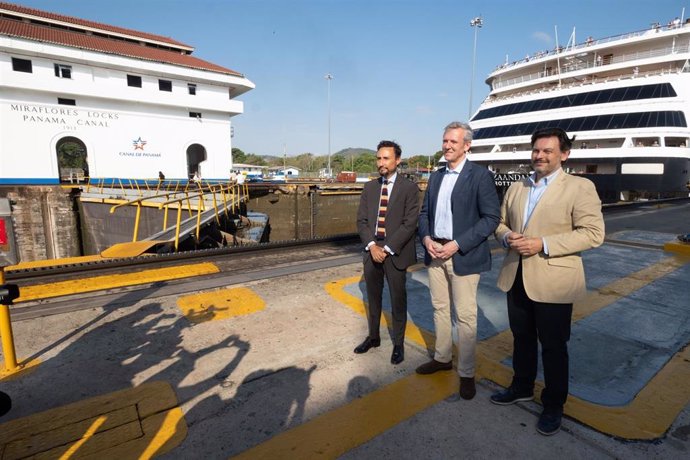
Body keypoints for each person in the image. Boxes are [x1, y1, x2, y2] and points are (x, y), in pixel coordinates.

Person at [490, 127, 605, 436]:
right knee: (521, 338)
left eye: (547, 151)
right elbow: (500, 224)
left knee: (554, 346)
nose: (539, 156)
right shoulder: (517, 187)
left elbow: (593, 234)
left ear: (564, 155)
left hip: (554, 281)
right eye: (536, 150)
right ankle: (522, 386)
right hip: (516, 275)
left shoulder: (580, 187)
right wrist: (506, 236)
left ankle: (553, 404)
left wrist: (543, 243)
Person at [416, 121, 500, 400]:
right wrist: (426, 239)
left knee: (465, 316)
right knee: (439, 308)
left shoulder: (480, 176)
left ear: (467, 145)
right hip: (435, 252)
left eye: (454, 142)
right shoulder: (437, 176)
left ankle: (466, 372)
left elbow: (491, 219)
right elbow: (424, 213)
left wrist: (456, 244)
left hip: (462, 255)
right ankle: (442, 358)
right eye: (445, 141)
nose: (447, 146)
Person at [354, 140, 420, 365]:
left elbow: (410, 224)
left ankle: (398, 345)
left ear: (397, 160)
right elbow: (361, 221)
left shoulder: (409, 188)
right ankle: (373, 337)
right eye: (378, 158)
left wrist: (387, 248)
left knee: (397, 299)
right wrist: (372, 246)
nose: (381, 162)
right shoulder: (370, 188)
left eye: (386, 158)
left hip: (395, 252)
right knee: (372, 299)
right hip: (372, 250)